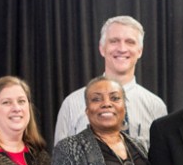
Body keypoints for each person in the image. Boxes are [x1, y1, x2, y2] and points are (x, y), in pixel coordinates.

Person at [54, 15, 167, 148]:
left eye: (130, 42)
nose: (122, 48)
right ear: (102, 48)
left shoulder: (156, 107)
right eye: (114, 41)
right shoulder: (72, 104)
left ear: (140, 51)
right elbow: (59, 163)